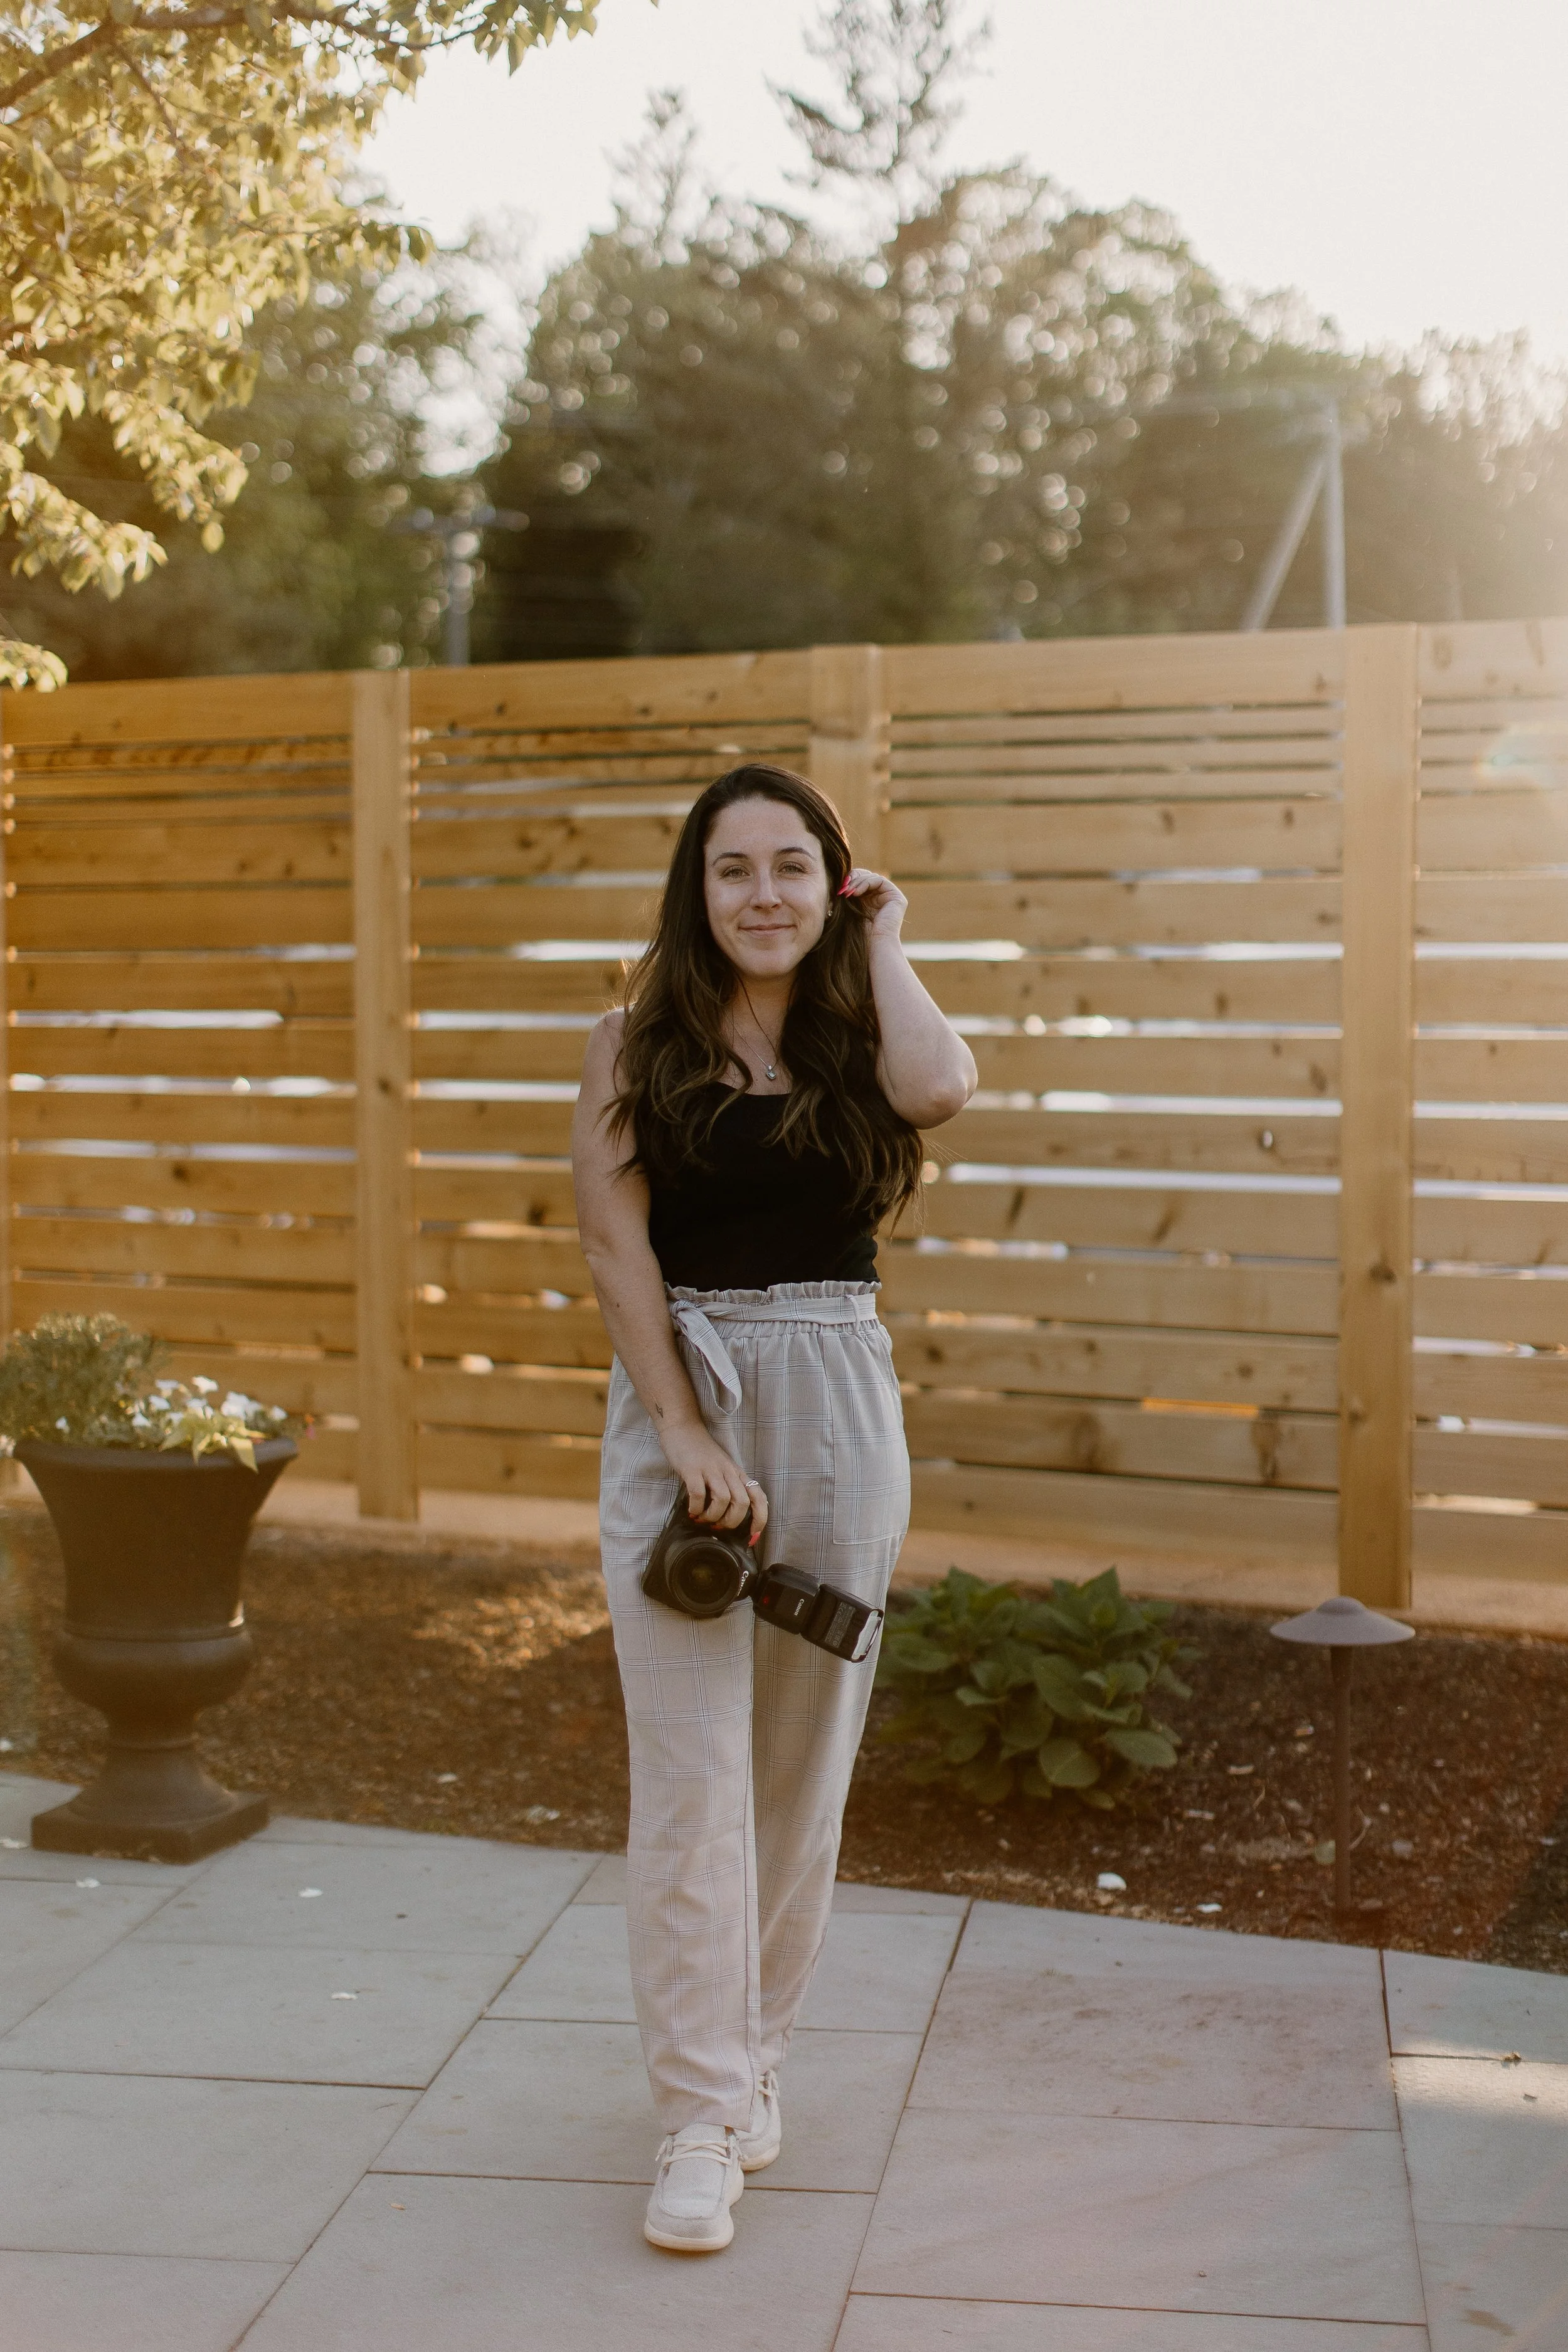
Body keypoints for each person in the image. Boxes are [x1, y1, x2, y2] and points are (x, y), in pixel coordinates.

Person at [571, 761, 975, 2254]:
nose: (761, 896)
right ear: (696, 890)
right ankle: (693, 2118)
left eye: (793, 869)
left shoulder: (870, 1034)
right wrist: (679, 1427)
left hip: (838, 1404)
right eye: (732, 870)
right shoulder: (630, 1042)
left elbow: (943, 1091)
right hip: (689, 1403)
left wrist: (884, 937)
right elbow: (615, 1253)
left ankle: (753, 2073)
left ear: (832, 884)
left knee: (798, 1790)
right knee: (689, 1785)